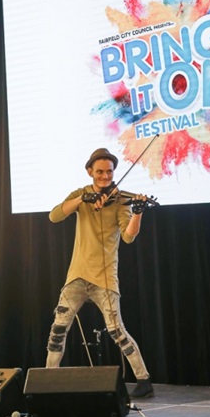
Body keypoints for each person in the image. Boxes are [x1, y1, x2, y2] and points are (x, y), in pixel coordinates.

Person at [45, 148, 154, 399]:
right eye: (100, 172)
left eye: (109, 172)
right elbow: (54, 216)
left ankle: (144, 379)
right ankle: (48, 378)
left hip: (104, 277)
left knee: (117, 331)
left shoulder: (120, 200)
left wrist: (137, 212)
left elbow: (128, 236)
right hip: (76, 276)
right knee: (58, 328)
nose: (106, 176)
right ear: (90, 172)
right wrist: (83, 199)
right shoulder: (80, 195)